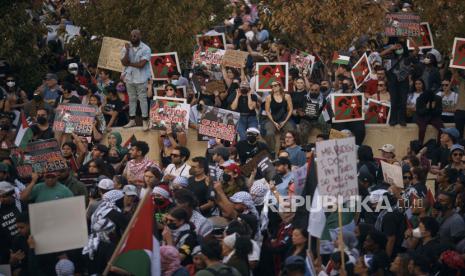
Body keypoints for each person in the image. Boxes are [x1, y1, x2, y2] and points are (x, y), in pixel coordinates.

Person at [121, 29, 152, 131]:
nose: (133, 37)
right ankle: (132, 120)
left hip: (141, 77)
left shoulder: (146, 48)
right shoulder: (126, 47)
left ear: (140, 36)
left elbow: (141, 64)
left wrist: (129, 64)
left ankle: (145, 121)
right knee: (132, 99)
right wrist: (127, 51)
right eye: (132, 36)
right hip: (129, 77)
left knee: (142, 99)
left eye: (135, 36)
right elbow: (123, 62)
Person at [264, 81, 295, 153]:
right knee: (269, 133)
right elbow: (267, 111)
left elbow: (290, 109)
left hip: (284, 119)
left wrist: (284, 121)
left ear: (280, 86)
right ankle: (272, 151)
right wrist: (274, 123)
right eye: (272, 86)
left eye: (275, 85)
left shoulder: (287, 96)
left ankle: (285, 148)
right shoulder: (269, 97)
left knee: (290, 130)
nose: (273, 87)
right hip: (273, 119)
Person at [0, 181, 20, 264]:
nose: (1, 199)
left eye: (4, 196)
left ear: (11, 193)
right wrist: (9, 253)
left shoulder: (20, 203)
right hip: (10, 250)